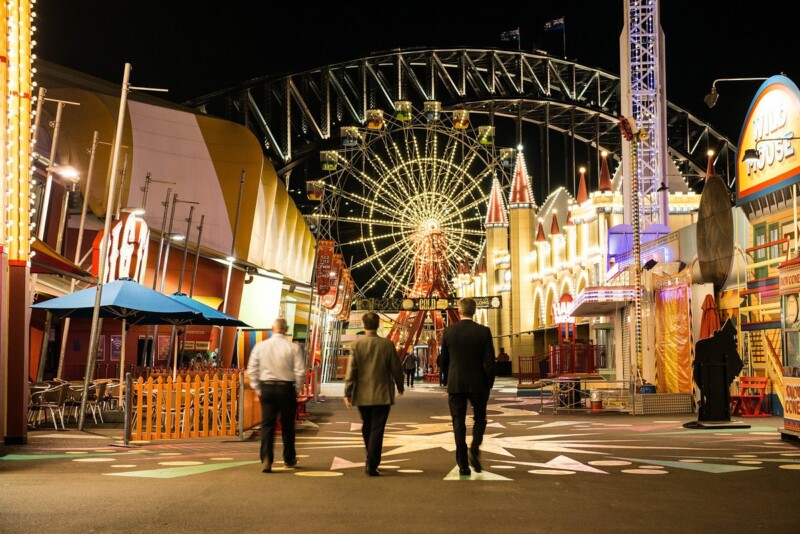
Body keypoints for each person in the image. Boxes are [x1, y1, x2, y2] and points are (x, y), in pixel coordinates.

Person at [439, 297, 495, 477]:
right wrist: (488, 383)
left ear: (459, 310)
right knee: (480, 418)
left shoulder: (448, 332)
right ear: (475, 311)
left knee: (458, 422)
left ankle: (463, 463)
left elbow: (444, 361)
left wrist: (447, 378)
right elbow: (489, 361)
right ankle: (475, 448)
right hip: (478, 383)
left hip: (456, 383)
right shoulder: (484, 332)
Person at [344, 312, 404, 477]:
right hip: (382, 394)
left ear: (364, 325)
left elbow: (351, 371)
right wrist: (400, 386)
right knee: (378, 428)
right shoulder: (387, 345)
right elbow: (396, 368)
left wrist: (347, 392)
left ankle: (370, 456)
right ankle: (372, 462)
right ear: (378, 325)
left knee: (367, 426)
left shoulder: (357, 345)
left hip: (362, 394)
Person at [246, 317, 306, 473]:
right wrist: (296, 389)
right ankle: (289, 458)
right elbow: (300, 372)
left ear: (272, 329)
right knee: (288, 426)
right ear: (285, 330)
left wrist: (258, 388)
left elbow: (252, 370)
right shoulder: (293, 348)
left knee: (267, 425)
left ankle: (266, 459)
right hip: (286, 388)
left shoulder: (260, 347)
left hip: (267, 388)